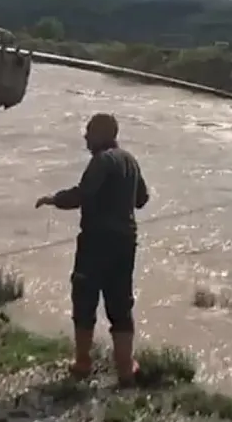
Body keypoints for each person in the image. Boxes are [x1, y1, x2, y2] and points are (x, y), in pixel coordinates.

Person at [35, 112, 149, 385]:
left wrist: (54, 199)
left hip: (97, 242)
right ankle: (125, 369)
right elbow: (142, 199)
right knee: (120, 304)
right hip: (125, 243)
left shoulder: (102, 160)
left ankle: (83, 363)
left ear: (105, 133)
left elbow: (82, 194)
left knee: (84, 299)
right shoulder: (130, 160)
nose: (85, 136)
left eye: (89, 131)